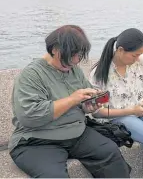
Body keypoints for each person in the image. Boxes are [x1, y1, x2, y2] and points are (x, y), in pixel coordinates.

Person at [9, 25, 131, 178]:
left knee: (111, 153)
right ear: (54, 49)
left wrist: (90, 105)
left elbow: (83, 103)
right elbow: (29, 116)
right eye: (70, 56)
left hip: (76, 133)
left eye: (79, 56)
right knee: (54, 176)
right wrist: (72, 99)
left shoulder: (74, 69)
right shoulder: (31, 75)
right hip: (37, 140)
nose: (74, 61)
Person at [89, 28, 143, 179]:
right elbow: (99, 112)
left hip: (141, 106)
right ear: (120, 50)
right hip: (119, 115)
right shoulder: (101, 74)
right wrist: (131, 111)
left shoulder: (140, 61)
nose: (138, 58)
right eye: (134, 55)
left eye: (139, 54)